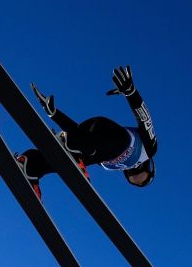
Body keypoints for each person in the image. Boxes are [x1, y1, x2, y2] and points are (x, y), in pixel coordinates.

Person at [15, 65, 157, 194]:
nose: (133, 172)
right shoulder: (149, 149)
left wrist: (55, 114)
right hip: (108, 131)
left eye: (133, 179)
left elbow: (88, 146)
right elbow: (145, 120)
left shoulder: (113, 166)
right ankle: (72, 147)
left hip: (83, 137)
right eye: (140, 175)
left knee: (61, 162)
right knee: (104, 150)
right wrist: (131, 93)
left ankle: (30, 166)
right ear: (148, 167)